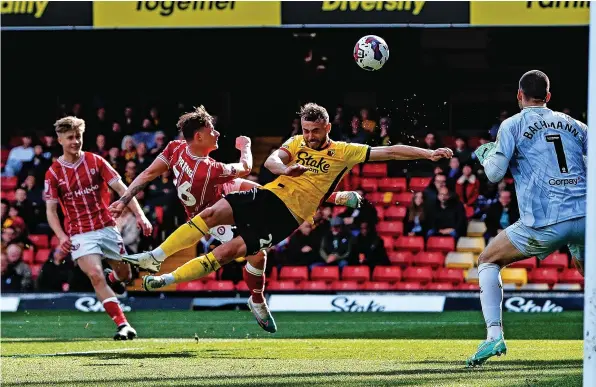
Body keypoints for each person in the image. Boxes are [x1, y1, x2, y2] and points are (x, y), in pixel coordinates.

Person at [123, 102, 451, 292]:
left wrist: (429, 152)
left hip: (288, 217)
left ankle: (169, 278)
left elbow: (391, 152)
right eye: (306, 130)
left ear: (327, 127)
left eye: (315, 131)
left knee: (228, 252)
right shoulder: (295, 143)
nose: (310, 136)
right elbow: (271, 161)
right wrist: (284, 170)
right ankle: (156, 256)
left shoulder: (345, 152)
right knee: (209, 215)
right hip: (269, 195)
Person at [109, 106, 364, 333]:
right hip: (215, 216)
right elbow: (245, 166)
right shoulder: (211, 169)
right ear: (198, 136)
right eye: (212, 130)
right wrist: (246, 148)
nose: (218, 134)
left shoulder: (175, 148)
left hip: (225, 194)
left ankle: (254, 298)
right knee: (251, 253)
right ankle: (175, 279)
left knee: (271, 193)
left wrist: (123, 199)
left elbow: (147, 174)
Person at [466, 70, 587, 367]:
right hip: (586, 215)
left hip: (545, 221)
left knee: (488, 260)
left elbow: (495, 175)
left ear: (519, 95)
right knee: (588, 271)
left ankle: (494, 335)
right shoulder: (575, 124)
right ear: (548, 96)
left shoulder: (513, 124)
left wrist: (486, 154)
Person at [44, 116, 152, 340]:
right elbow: (51, 210)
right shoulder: (53, 173)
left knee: (125, 275)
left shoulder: (96, 161)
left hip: (106, 227)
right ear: (60, 140)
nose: (75, 141)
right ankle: (123, 325)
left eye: (78, 137)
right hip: (80, 233)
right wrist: (61, 235)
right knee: (95, 275)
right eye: (70, 137)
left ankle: (113, 278)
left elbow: (123, 189)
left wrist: (140, 216)